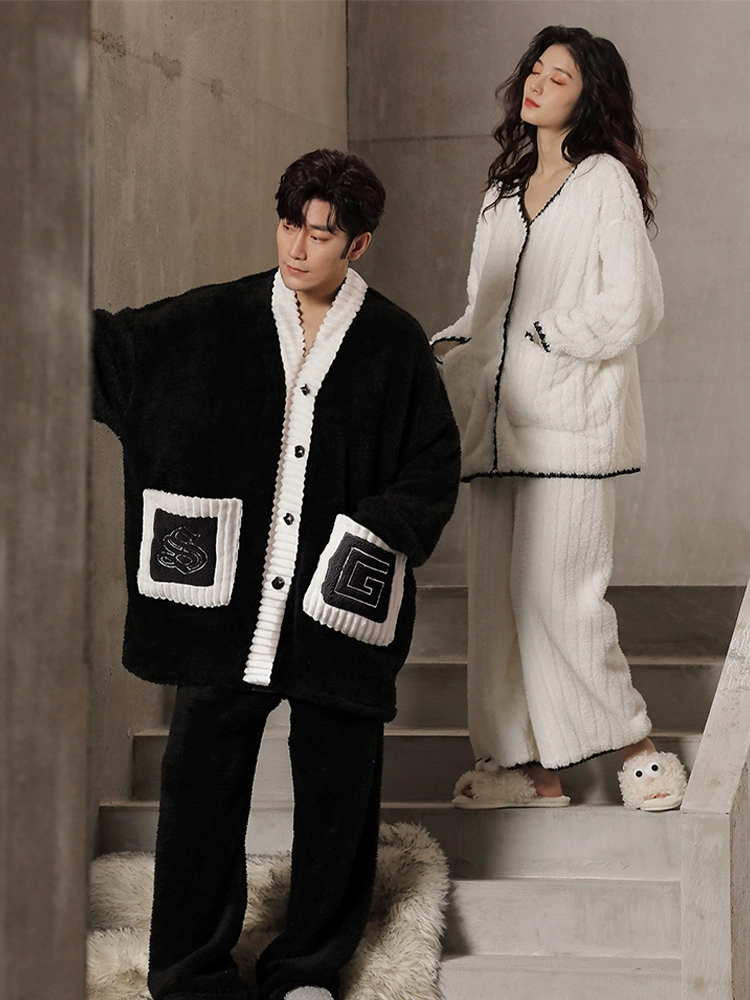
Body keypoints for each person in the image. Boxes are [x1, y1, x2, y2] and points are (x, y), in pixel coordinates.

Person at [93, 148, 460, 1000]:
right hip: (226, 610)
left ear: (358, 245)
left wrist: (374, 533)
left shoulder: (393, 344)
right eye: (290, 225)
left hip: (335, 608)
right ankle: (191, 972)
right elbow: (112, 355)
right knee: (200, 784)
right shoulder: (213, 319)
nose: (298, 247)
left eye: (321, 234)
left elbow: (434, 465)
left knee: (338, 789)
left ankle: (308, 966)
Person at [431, 26, 687, 812]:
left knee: (561, 596)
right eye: (535, 71)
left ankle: (637, 746)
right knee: (495, 610)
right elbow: (481, 308)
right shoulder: (499, 195)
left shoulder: (605, 179)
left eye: (560, 76)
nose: (538, 84)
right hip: (496, 425)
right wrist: (448, 352)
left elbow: (634, 303)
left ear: (589, 94)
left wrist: (546, 336)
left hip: (571, 425)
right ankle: (525, 768)